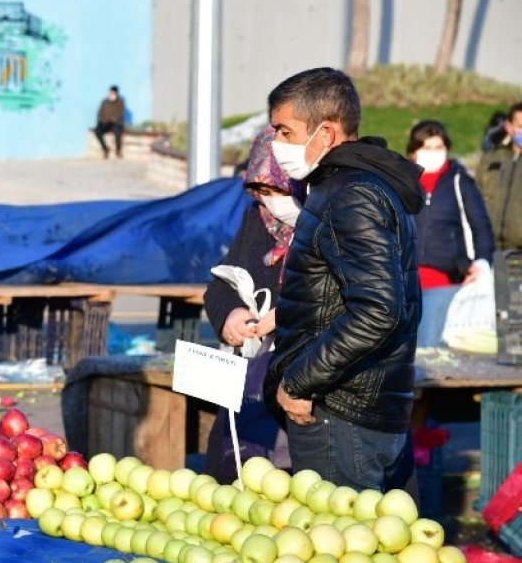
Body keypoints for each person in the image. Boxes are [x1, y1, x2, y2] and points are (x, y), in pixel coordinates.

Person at [263, 67, 422, 492]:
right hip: (356, 405)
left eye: (285, 131)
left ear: (327, 133)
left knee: (341, 546)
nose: (276, 144)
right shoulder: (351, 187)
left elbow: (379, 310)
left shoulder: (350, 194)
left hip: (340, 409)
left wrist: (299, 381)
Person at [202, 126, 300, 482]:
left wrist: (287, 315)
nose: (266, 200)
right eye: (258, 191)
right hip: (253, 389)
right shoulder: (257, 220)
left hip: (303, 395)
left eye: (273, 189)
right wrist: (231, 315)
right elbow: (219, 286)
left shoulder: (328, 226)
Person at [407, 120, 494, 348]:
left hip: (445, 283)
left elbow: (481, 225)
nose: (433, 153)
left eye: (438, 147)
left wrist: (482, 262)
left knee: (430, 349)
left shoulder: (459, 181)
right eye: (427, 148)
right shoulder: (404, 183)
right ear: (414, 152)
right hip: (404, 283)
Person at [476, 102, 522, 249]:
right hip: (489, 247)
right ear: (509, 127)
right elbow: (474, 198)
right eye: (520, 126)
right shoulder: (490, 159)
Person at [93, 86, 126, 159]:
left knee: (117, 132)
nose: (111, 94)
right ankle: (105, 149)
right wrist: (101, 120)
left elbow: (120, 113)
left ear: (116, 93)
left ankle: (118, 151)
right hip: (105, 123)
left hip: (116, 123)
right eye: (110, 93)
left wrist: (113, 119)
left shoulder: (120, 102)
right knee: (97, 131)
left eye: (113, 93)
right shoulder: (105, 101)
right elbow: (100, 112)